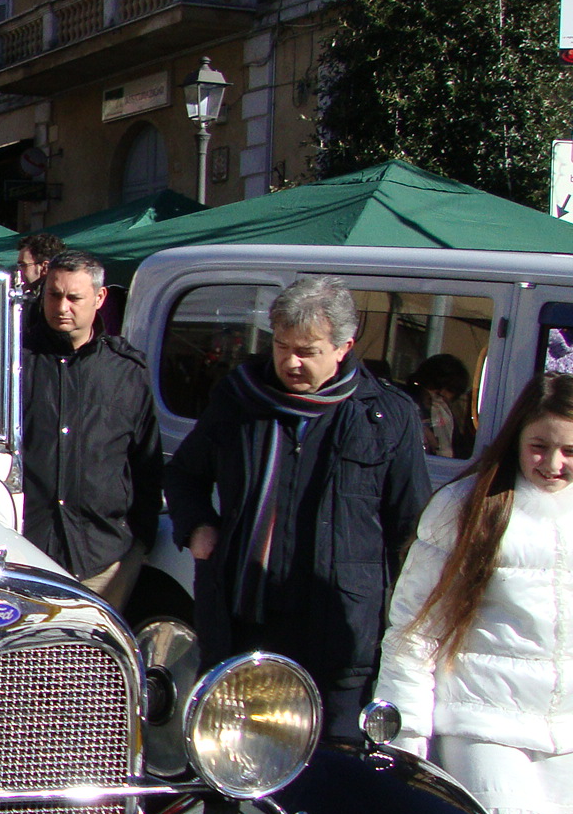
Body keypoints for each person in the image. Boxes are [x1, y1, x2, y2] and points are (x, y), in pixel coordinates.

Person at [375, 372, 573, 814]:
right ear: (518, 438)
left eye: (568, 450)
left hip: (565, 730)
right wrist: (403, 741)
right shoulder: (469, 505)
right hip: (484, 721)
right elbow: (413, 632)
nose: (552, 463)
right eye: (540, 446)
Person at [167, 275, 430, 735]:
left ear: (344, 346)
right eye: (282, 345)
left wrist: (403, 627)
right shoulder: (241, 397)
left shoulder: (386, 414)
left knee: (334, 771)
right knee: (239, 756)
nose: (291, 361)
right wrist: (199, 529)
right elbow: (185, 473)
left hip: (341, 631)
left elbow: (411, 526)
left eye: (307, 351)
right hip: (248, 620)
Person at [19, 252, 162, 606]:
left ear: (99, 299)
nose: (61, 307)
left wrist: (141, 539)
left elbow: (146, 459)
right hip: (25, 551)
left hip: (103, 558)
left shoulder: (125, 371)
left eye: (74, 298)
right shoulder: (15, 362)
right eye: (53, 295)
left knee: (90, 660)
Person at [412, 353, 476, 460]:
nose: (441, 393)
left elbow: (459, 457)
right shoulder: (404, 410)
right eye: (436, 385)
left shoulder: (449, 422)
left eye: (450, 389)